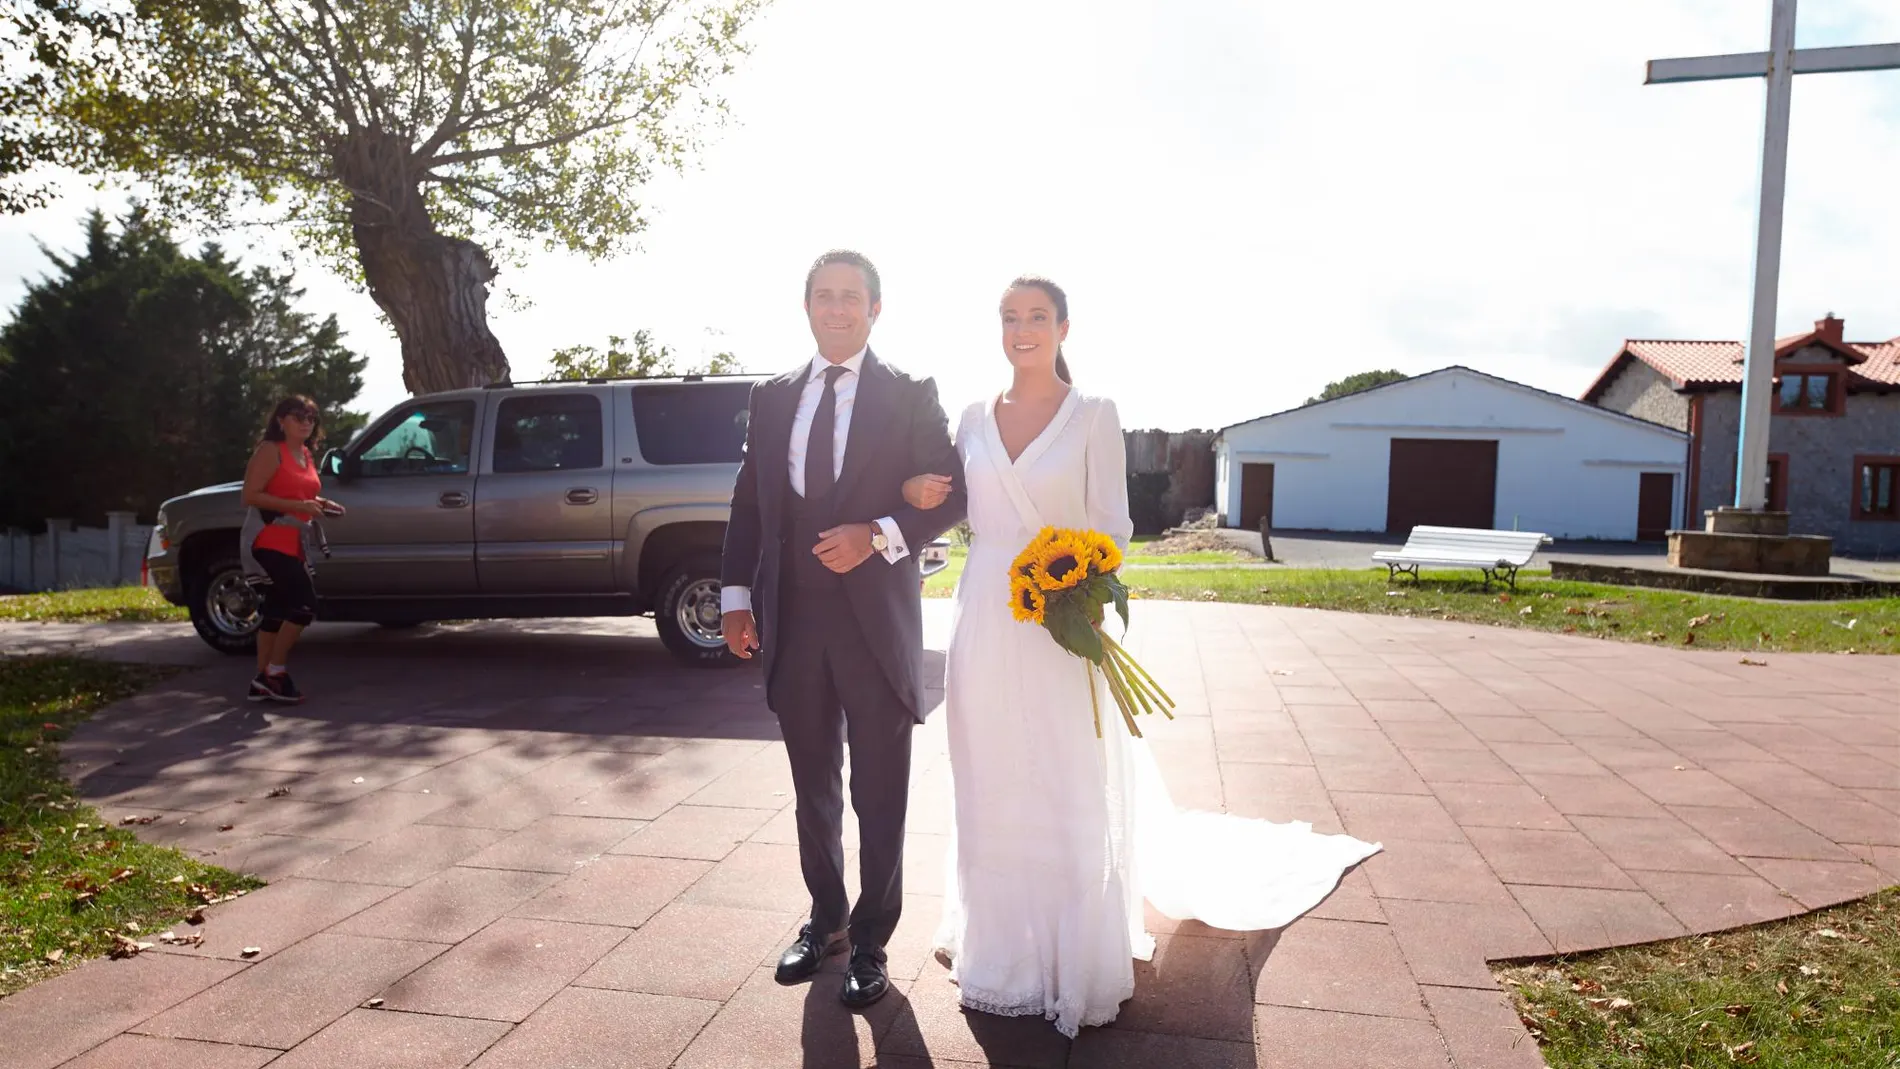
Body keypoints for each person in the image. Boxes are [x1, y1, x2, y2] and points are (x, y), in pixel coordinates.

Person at [905, 277, 1381, 1037]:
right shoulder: (970, 416)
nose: (1023, 329)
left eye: (1037, 316)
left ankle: (1073, 954)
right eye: (1010, 317)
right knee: (986, 770)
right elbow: (950, 497)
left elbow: (1112, 525)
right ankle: (997, 947)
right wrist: (912, 488)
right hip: (984, 616)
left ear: (1063, 327)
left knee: (1064, 770)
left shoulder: (1094, 413)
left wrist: (1085, 595)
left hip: (1062, 615)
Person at [718, 250, 968, 1009]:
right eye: (823, 296)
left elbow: (953, 492)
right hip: (793, 619)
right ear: (807, 307)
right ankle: (826, 918)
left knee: (880, 789)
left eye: (850, 297)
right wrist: (736, 596)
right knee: (812, 784)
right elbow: (750, 503)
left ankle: (870, 940)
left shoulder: (910, 393)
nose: (836, 308)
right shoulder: (771, 397)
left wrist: (879, 532)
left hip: (873, 624)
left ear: (875, 309)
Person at [239, 395, 344, 704]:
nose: (306, 423)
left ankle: (262, 680)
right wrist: (300, 506)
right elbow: (250, 496)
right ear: (281, 420)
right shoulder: (271, 451)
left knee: (277, 608)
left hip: (294, 542)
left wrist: (323, 504)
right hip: (267, 538)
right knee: (304, 605)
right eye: (298, 417)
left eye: (311, 418)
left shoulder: (306, 454)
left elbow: (300, 494)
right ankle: (276, 671)